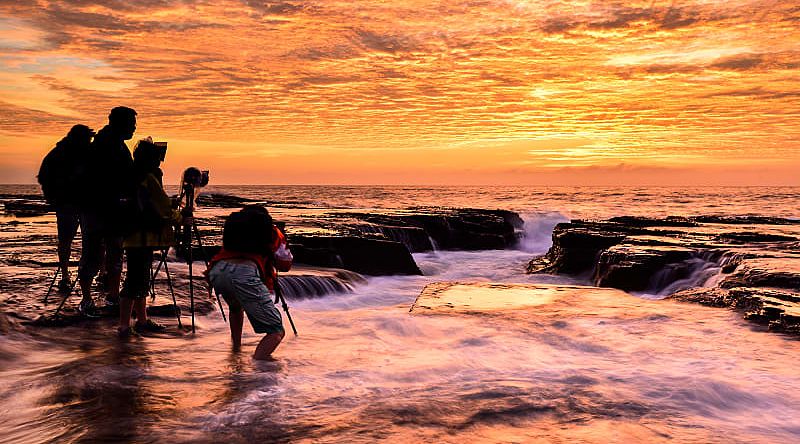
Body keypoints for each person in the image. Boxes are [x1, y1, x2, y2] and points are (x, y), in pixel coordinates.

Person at [118, 138, 189, 337]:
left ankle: (141, 320)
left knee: (140, 279)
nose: (160, 160)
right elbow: (163, 206)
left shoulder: (133, 175)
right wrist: (181, 218)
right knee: (135, 281)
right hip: (142, 237)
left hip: (134, 235)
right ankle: (124, 325)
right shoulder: (148, 177)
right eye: (158, 157)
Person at [208, 205, 293, 359]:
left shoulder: (235, 229)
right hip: (244, 274)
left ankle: (235, 353)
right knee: (276, 331)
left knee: (235, 308)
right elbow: (285, 264)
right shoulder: (273, 231)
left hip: (218, 271)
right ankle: (256, 370)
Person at [77, 107, 137, 316]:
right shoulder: (107, 146)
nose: (134, 128)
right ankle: (88, 299)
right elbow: (122, 178)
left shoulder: (115, 144)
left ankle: (111, 296)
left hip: (108, 209)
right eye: (132, 124)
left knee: (113, 253)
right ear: (121, 124)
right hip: (98, 209)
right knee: (96, 254)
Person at [37, 124, 95, 290]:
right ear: (80, 138)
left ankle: (73, 275)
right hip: (68, 203)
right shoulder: (59, 154)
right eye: (88, 139)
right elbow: (43, 177)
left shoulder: (81, 152)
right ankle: (65, 274)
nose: (89, 142)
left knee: (85, 240)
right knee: (68, 240)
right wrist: (57, 195)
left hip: (81, 203)